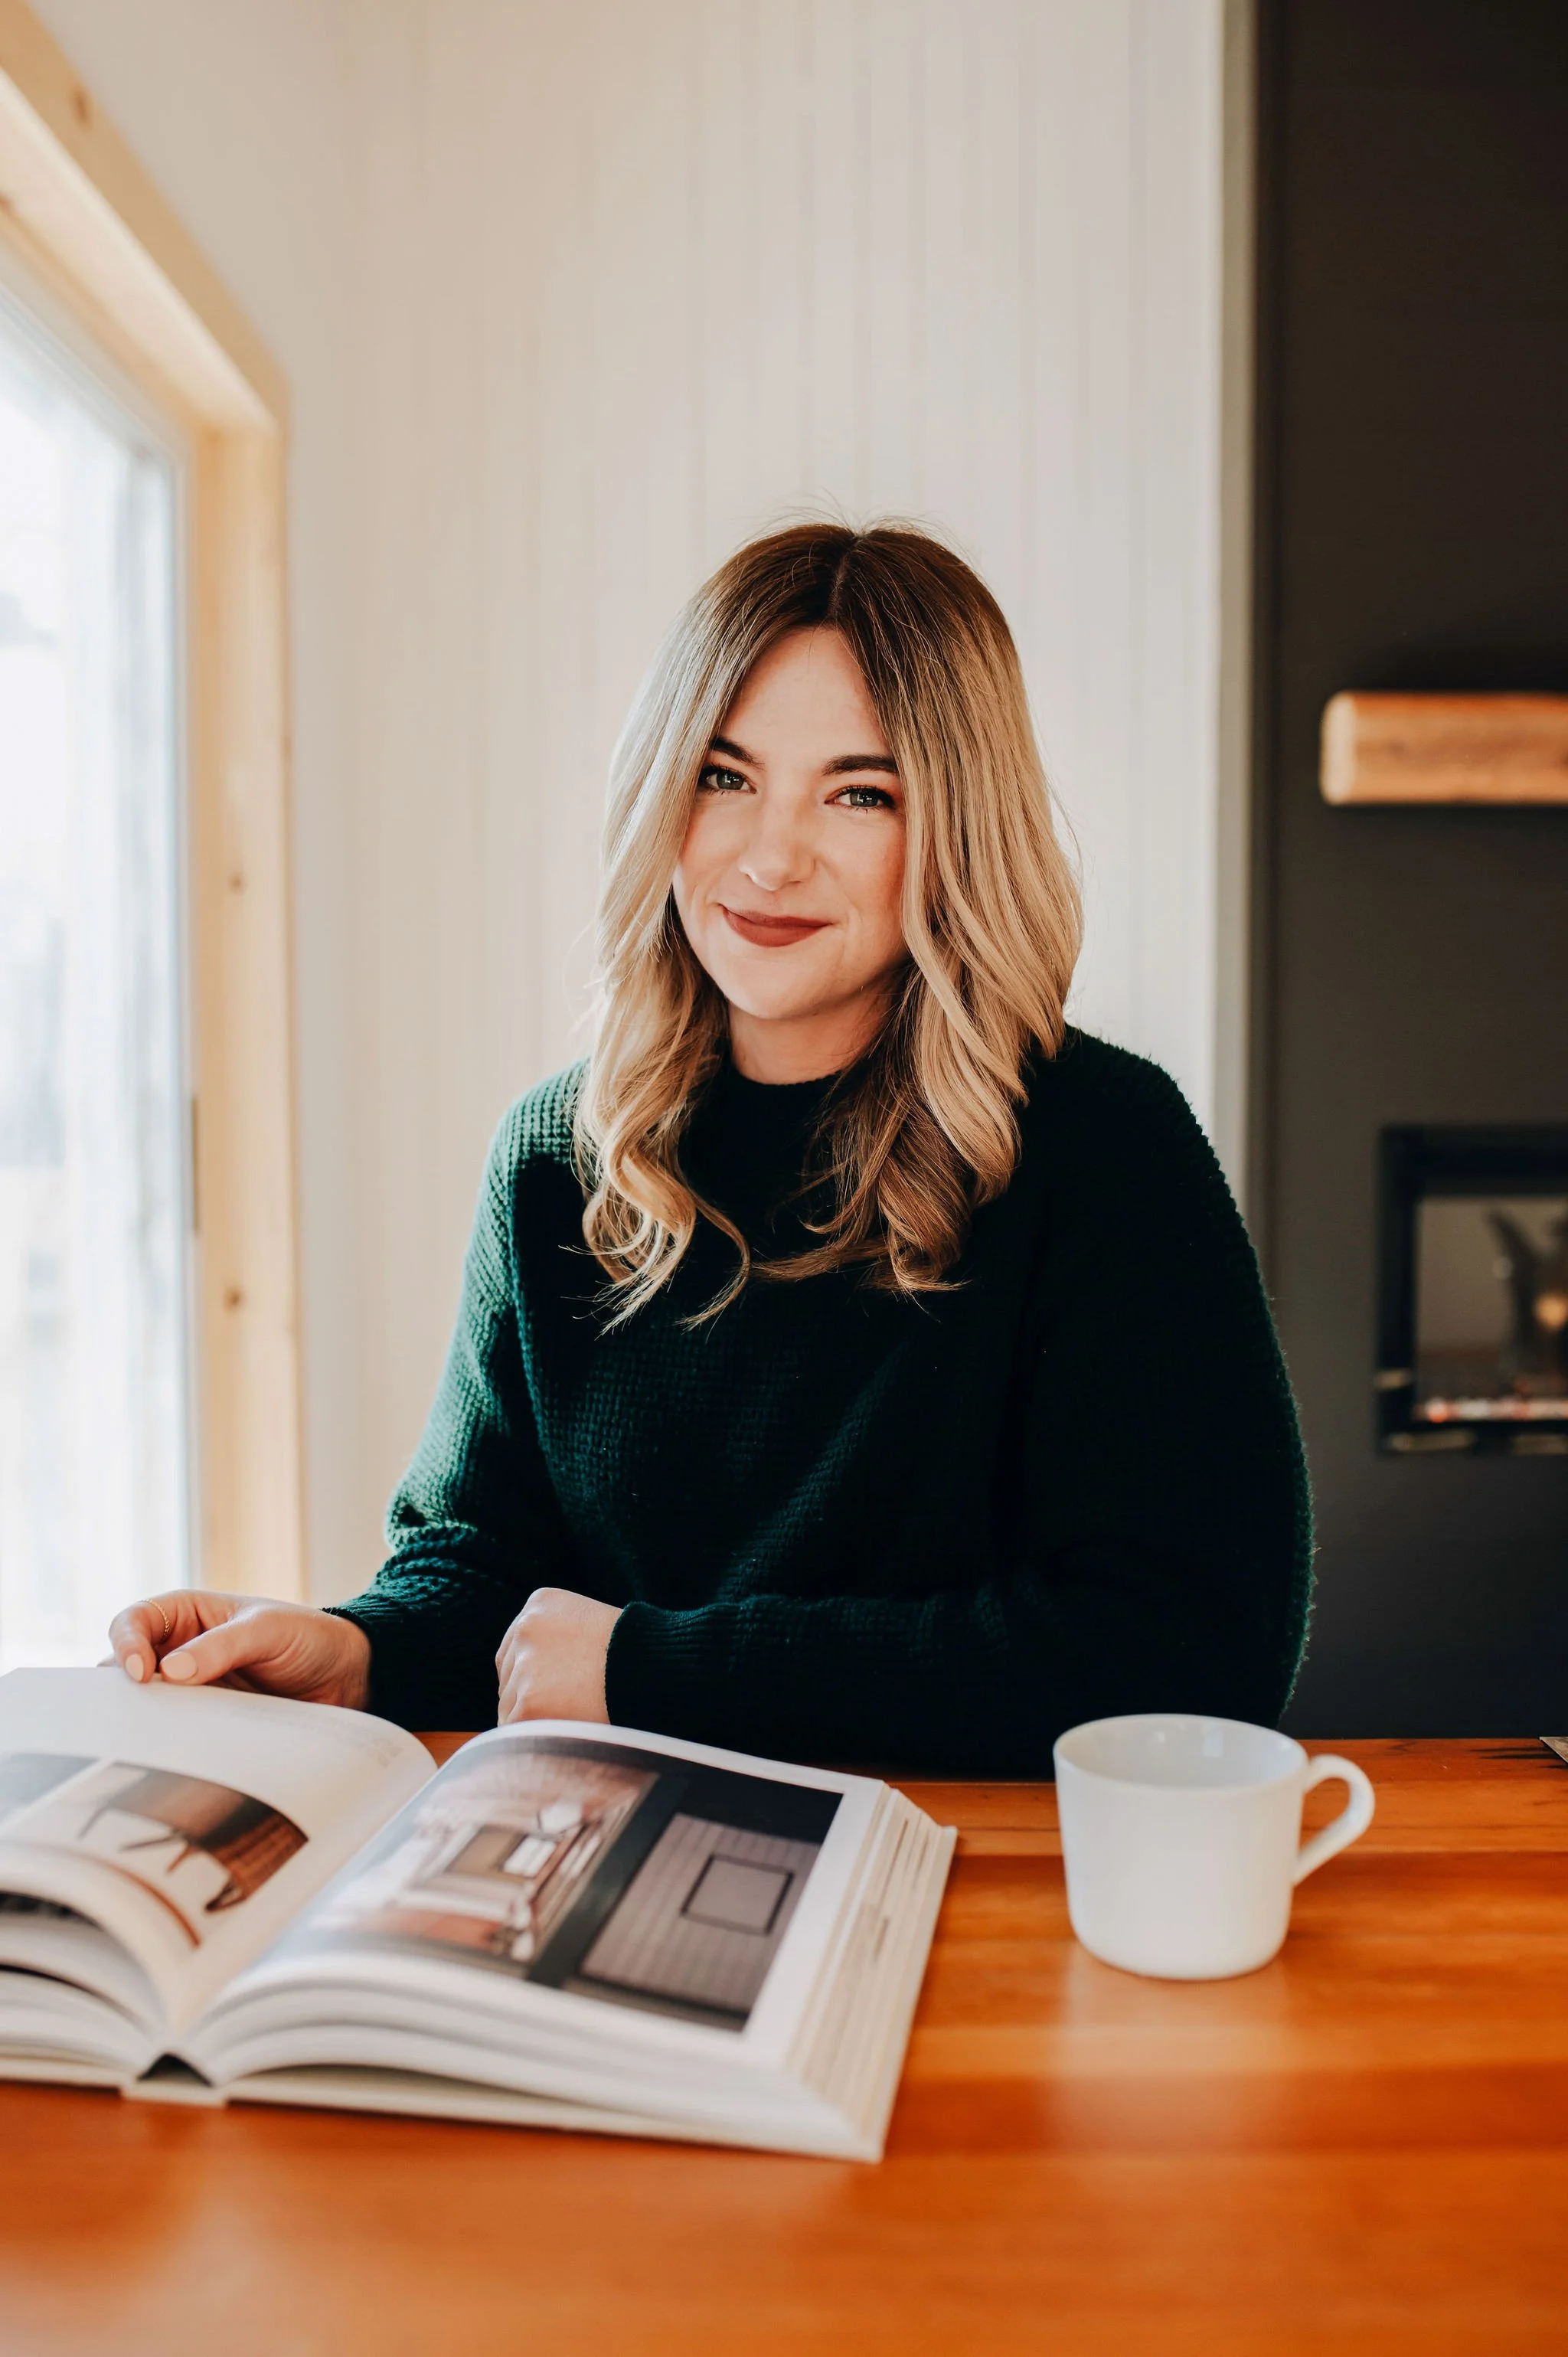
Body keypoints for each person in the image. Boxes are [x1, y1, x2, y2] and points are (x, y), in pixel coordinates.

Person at [109, 525, 1312, 1771]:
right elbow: (485, 1573)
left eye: (860, 792)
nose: (769, 855)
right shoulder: (554, 1159)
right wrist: (357, 1650)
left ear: (952, 824)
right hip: (606, 1851)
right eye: (726, 776)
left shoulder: (1100, 1146)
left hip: (979, 1883)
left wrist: (657, 1671)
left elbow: (1196, 1649)